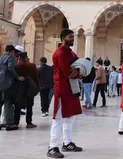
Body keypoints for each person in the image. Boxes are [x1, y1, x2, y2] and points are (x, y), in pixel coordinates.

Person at [47, 29, 83, 158]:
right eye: (70, 37)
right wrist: (78, 72)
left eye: (73, 37)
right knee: (58, 118)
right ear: (63, 38)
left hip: (70, 87)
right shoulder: (60, 53)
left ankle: (67, 143)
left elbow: (79, 65)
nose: (73, 39)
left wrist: (78, 71)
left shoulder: (71, 53)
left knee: (69, 117)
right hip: (62, 88)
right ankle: (52, 147)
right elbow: (68, 72)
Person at [0, 45, 25, 131]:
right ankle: (9, 124)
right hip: (7, 84)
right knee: (8, 103)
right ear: (12, 51)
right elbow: (10, 68)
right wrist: (18, 77)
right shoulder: (11, 58)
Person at [14, 52, 40, 128]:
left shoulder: (17, 66)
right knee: (29, 106)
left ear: (19, 58)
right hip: (30, 88)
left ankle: (15, 123)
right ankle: (29, 122)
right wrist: (37, 88)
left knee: (17, 106)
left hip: (19, 88)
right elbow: (36, 77)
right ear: (26, 57)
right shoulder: (32, 65)